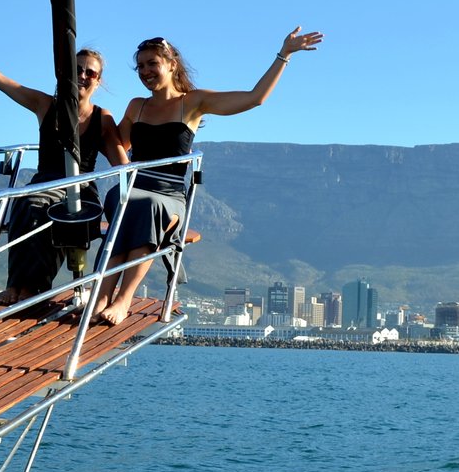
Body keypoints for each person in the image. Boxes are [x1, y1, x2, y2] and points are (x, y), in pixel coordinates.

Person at [96, 26, 325, 326]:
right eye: (140, 66)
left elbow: (254, 98)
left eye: (152, 63)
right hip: (135, 187)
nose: (145, 71)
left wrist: (284, 55)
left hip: (169, 196)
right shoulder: (137, 106)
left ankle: (123, 300)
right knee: (123, 198)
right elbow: (117, 142)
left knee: (145, 207)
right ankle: (101, 298)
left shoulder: (192, 102)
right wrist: (101, 125)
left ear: (171, 64)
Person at [0, 33, 128, 305]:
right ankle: (18, 286)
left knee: (38, 204)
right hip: (44, 181)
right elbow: (0, 80)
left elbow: (122, 164)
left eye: (90, 73)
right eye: (76, 69)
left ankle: (34, 289)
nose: (82, 76)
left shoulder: (102, 118)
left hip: (81, 190)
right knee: (24, 202)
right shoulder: (46, 105)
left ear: (98, 80)